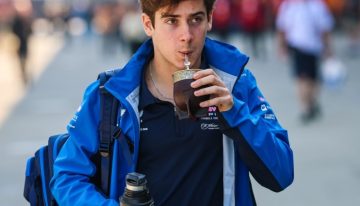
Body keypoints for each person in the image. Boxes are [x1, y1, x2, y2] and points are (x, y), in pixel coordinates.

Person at [50, 0, 294, 205]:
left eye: (196, 19)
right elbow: (67, 177)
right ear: (148, 24)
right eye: (171, 21)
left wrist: (235, 113)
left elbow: (281, 174)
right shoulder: (109, 96)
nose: (186, 36)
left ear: (210, 19)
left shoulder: (236, 85)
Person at [276, 0, 334, 123]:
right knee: (302, 78)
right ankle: (305, 108)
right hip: (298, 46)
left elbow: (325, 28)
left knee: (313, 79)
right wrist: (281, 46)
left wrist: (328, 47)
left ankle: (311, 102)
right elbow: (282, 28)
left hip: (314, 47)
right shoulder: (289, 5)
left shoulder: (317, 5)